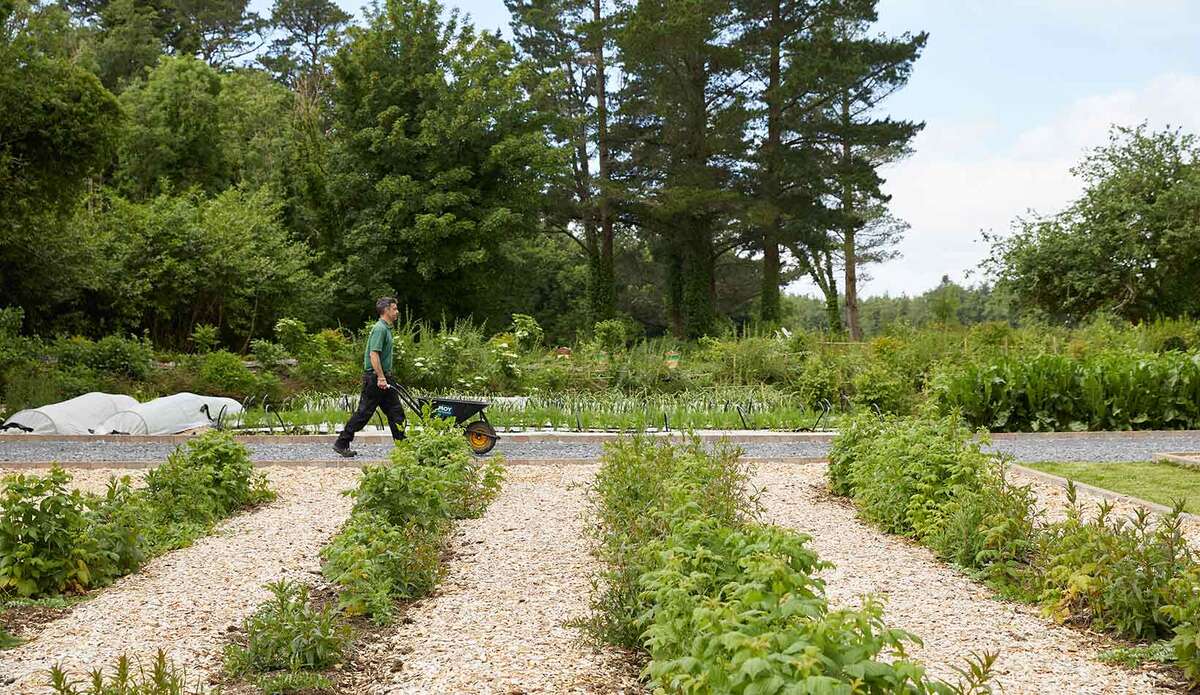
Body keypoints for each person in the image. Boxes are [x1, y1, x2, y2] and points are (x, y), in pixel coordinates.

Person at [333, 297, 406, 457]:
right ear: (386, 310)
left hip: (383, 377)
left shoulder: (386, 329)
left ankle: (403, 448)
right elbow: (374, 354)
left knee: (396, 413)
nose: (397, 312)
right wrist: (380, 377)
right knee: (364, 413)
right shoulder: (380, 329)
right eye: (394, 309)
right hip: (375, 379)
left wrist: (385, 377)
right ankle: (342, 442)